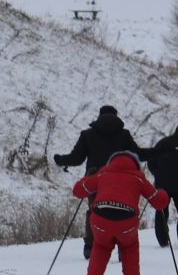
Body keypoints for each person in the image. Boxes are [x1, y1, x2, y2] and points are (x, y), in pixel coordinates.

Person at [72, 150, 168, 275]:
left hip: (100, 220)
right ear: (135, 165)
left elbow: (78, 191)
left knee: (100, 246)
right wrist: (162, 192)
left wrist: (88, 177)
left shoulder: (102, 174)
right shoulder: (139, 178)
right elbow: (159, 202)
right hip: (126, 223)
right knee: (130, 247)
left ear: (112, 162)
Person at [56, 105, 143, 256]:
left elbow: (77, 159)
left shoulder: (88, 135)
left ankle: (90, 246)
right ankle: (124, 248)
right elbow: (138, 154)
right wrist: (159, 152)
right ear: (116, 116)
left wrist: (61, 160)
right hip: (121, 180)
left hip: (95, 178)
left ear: (99, 116)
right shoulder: (124, 135)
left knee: (94, 211)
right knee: (125, 209)